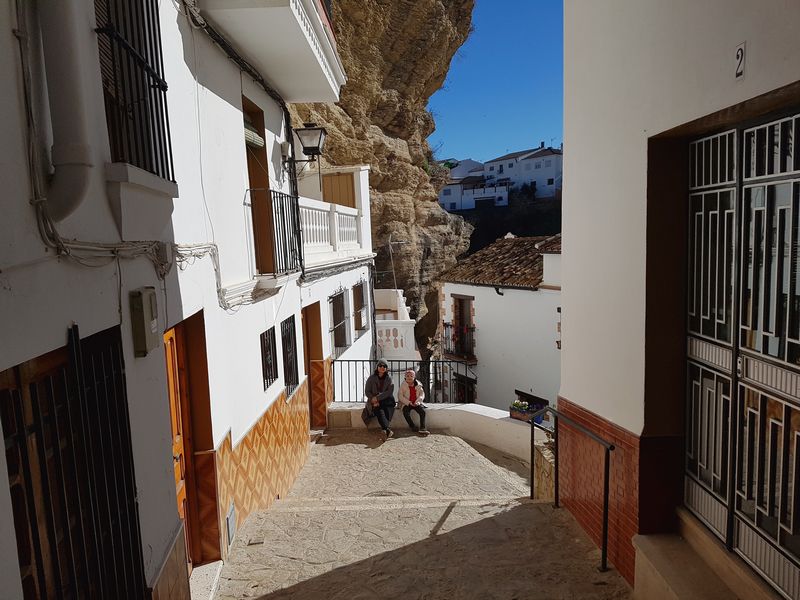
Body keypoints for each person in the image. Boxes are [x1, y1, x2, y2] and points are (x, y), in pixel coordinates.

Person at [364, 358, 396, 439]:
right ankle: (386, 430)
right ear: (377, 367)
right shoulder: (371, 378)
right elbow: (367, 391)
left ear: (386, 368)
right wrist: (373, 399)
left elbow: (389, 392)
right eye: (380, 365)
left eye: (384, 366)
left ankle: (385, 430)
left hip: (386, 400)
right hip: (374, 400)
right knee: (378, 409)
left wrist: (377, 398)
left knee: (382, 408)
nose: (382, 367)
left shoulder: (389, 379)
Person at [398, 369, 428, 434]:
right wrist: (408, 402)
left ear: (414, 377)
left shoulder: (418, 385)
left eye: (411, 376)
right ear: (405, 377)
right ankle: (412, 426)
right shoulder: (403, 385)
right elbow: (400, 396)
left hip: (416, 402)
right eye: (407, 376)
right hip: (407, 403)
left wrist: (418, 402)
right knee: (405, 412)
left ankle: (422, 428)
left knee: (422, 412)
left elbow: (422, 394)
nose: (409, 377)